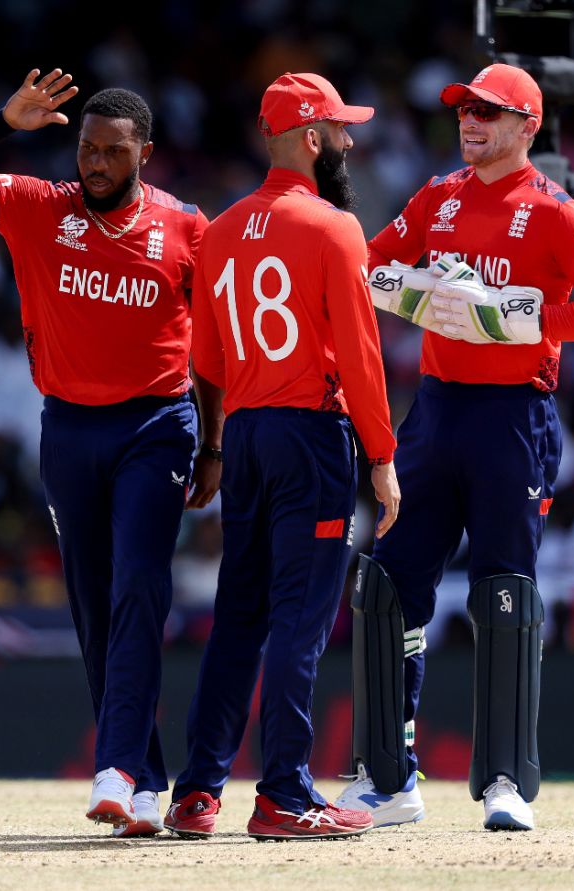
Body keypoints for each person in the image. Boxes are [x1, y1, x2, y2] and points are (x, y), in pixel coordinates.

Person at [339, 62, 574, 831]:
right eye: (466, 110)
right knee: (385, 588)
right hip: (435, 414)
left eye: (490, 113)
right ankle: (386, 778)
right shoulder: (437, 196)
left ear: (527, 127)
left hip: (514, 419)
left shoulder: (556, 211)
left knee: (505, 594)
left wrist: (523, 316)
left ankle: (506, 779)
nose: (471, 122)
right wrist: (417, 296)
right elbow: (366, 267)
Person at [0, 69, 221, 837]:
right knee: (94, 607)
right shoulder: (37, 206)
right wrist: (4, 120)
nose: (93, 163)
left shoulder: (187, 227)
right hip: (68, 429)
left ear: (144, 154)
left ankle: (116, 765)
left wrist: (215, 441)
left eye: (111, 153)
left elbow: (214, 347)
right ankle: (144, 782)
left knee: (140, 588)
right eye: (87, 149)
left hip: (157, 426)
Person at [163, 73, 400, 842]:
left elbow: (207, 360)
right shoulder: (334, 228)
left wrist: (216, 443)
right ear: (309, 137)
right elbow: (362, 356)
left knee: (240, 615)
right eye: (338, 128)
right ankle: (286, 791)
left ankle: (197, 790)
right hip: (311, 436)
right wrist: (383, 456)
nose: (349, 142)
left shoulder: (220, 230)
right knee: (301, 618)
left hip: (249, 435)